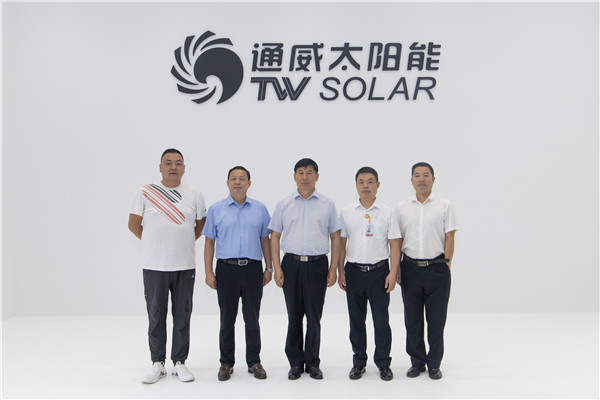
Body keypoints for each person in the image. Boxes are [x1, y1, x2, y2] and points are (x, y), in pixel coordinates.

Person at [128, 148, 207, 384]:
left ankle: (180, 362)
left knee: (182, 314)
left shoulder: (194, 193)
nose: (173, 167)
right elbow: (133, 224)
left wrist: (181, 242)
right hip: (154, 266)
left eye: (178, 163)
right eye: (168, 163)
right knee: (156, 315)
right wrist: (154, 243)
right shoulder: (145, 192)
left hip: (184, 265)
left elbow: (200, 225)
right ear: (160, 167)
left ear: (184, 168)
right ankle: (158, 363)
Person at [269, 158, 341, 380]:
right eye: (300, 172)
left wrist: (333, 268)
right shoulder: (284, 204)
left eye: (309, 172)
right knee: (294, 316)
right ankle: (295, 363)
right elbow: (275, 236)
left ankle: (312, 362)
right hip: (291, 264)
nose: (305, 177)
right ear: (294, 177)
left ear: (317, 176)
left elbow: (335, 237)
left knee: (314, 316)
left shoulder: (327, 204)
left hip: (318, 265)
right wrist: (277, 267)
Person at [202, 166, 273, 382]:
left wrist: (269, 268)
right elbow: (209, 242)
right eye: (233, 178)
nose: (237, 182)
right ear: (227, 183)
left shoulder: (260, 209)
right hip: (226, 269)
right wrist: (208, 271)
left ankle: (254, 362)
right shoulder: (216, 209)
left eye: (242, 178)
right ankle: (226, 363)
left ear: (249, 183)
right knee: (227, 319)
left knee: (252, 319)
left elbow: (265, 240)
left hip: (252, 269)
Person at [395, 162, 457, 380]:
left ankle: (434, 364)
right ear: (411, 180)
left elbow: (450, 236)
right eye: (417, 175)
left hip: (437, 269)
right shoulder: (402, 207)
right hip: (410, 269)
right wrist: (397, 267)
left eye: (426, 175)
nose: (421, 179)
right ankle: (417, 362)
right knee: (412, 319)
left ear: (433, 179)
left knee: (436, 320)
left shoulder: (444, 205)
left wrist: (446, 264)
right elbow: (398, 239)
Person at [338, 167, 401, 381]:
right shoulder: (347, 212)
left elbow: (394, 245)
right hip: (353, 272)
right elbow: (341, 243)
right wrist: (340, 271)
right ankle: (359, 362)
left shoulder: (387, 212)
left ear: (378, 185)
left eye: (370, 181)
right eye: (361, 182)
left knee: (381, 321)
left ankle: (383, 363)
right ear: (356, 185)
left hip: (379, 273)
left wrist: (393, 272)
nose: (366, 186)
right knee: (356, 320)